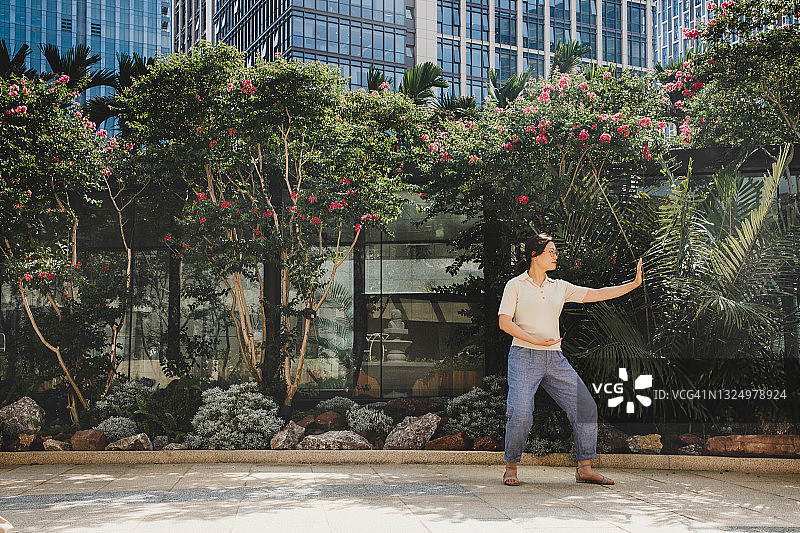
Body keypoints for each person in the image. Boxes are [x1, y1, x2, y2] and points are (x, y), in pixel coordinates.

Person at [498, 233, 643, 486]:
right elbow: (504, 322)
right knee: (520, 413)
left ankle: (585, 468)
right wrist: (534, 340)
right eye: (551, 252)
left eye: (556, 252)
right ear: (534, 254)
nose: (556, 256)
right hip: (523, 357)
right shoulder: (515, 285)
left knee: (585, 407)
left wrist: (632, 285)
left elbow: (597, 294)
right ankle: (511, 467)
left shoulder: (560, 287)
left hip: (555, 359)